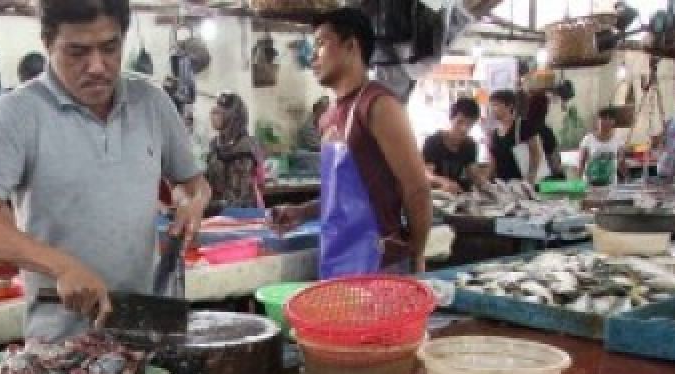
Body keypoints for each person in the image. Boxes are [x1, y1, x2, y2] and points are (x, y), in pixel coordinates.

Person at [0, 0, 210, 341]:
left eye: (110, 48)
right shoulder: (16, 116)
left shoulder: (152, 103)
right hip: (62, 345)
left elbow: (193, 185)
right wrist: (61, 266)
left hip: (146, 331)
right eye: (77, 52)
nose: (97, 67)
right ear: (47, 43)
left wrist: (191, 204)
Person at [269, 8, 430, 275]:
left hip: (379, 264)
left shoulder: (379, 106)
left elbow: (417, 189)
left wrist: (418, 254)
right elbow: (346, 198)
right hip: (336, 259)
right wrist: (302, 211)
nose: (313, 56)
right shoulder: (328, 117)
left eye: (321, 44)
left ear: (350, 46)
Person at [205, 91, 260, 211]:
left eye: (217, 113)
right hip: (216, 211)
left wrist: (204, 207)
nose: (212, 116)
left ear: (231, 116)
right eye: (213, 112)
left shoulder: (245, 147)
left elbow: (238, 197)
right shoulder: (215, 144)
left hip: (240, 215)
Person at [422, 96, 480, 194]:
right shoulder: (433, 141)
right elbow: (427, 174)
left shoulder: (470, 145)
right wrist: (443, 181)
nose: (464, 129)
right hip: (435, 195)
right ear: (451, 118)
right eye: (460, 122)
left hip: (456, 196)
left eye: (470, 124)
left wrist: (488, 186)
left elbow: (473, 174)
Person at [486, 89, 544, 184]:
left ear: (509, 106)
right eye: (491, 105)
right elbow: (493, 162)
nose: (492, 109)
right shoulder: (494, 133)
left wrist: (530, 179)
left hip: (522, 184)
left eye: (496, 105)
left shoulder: (524, 126)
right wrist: (486, 182)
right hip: (502, 186)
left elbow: (536, 153)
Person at [578, 107, 624, 187]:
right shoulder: (588, 138)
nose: (606, 121)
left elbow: (621, 160)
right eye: (603, 118)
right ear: (597, 121)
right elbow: (581, 161)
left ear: (614, 122)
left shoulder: (618, 139)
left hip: (610, 183)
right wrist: (578, 183)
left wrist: (626, 178)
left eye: (610, 119)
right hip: (590, 183)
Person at [526, 92, 563, 180]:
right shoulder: (545, 130)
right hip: (542, 179)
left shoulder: (519, 127)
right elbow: (554, 160)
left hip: (520, 177)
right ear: (544, 109)